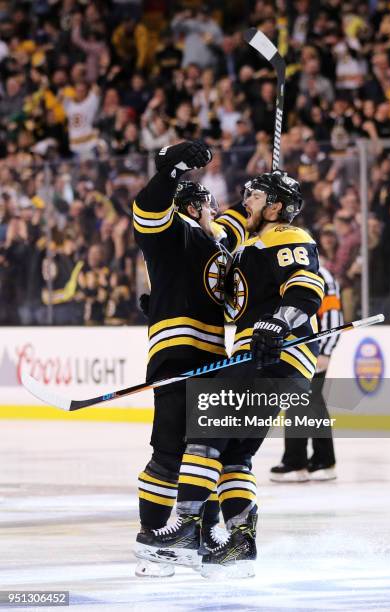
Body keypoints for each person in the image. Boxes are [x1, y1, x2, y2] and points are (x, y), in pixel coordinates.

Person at [139, 170, 324, 578]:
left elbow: (307, 288)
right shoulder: (249, 246)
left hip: (274, 357)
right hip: (265, 363)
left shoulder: (284, 236)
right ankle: (240, 545)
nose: (247, 202)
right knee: (235, 454)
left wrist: (280, 322)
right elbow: (227, 296)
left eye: (256, 197)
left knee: (204, 430)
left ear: (275, 207)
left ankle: (186, 531)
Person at [132, 140, 247, 577]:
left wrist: (264, 194)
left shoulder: (211, 240)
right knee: (170, 454)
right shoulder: (173, 230)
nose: (217, 212)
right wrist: (169, 170)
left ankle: (200, 538)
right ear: (195, 205)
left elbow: (239, 222)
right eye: (209, 205)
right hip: (179, 356)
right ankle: (158, 537)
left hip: (215, 361)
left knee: (204, 455)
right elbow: (146, 209)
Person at [270, 264, 343, 482]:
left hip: (314, 351)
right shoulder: (297, 271)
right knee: (309, 402)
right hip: (301, 350)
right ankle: (321, 460)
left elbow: (332, 316)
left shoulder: (321, 275)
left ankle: (297, 462)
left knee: (302, 401)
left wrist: (326, 351)